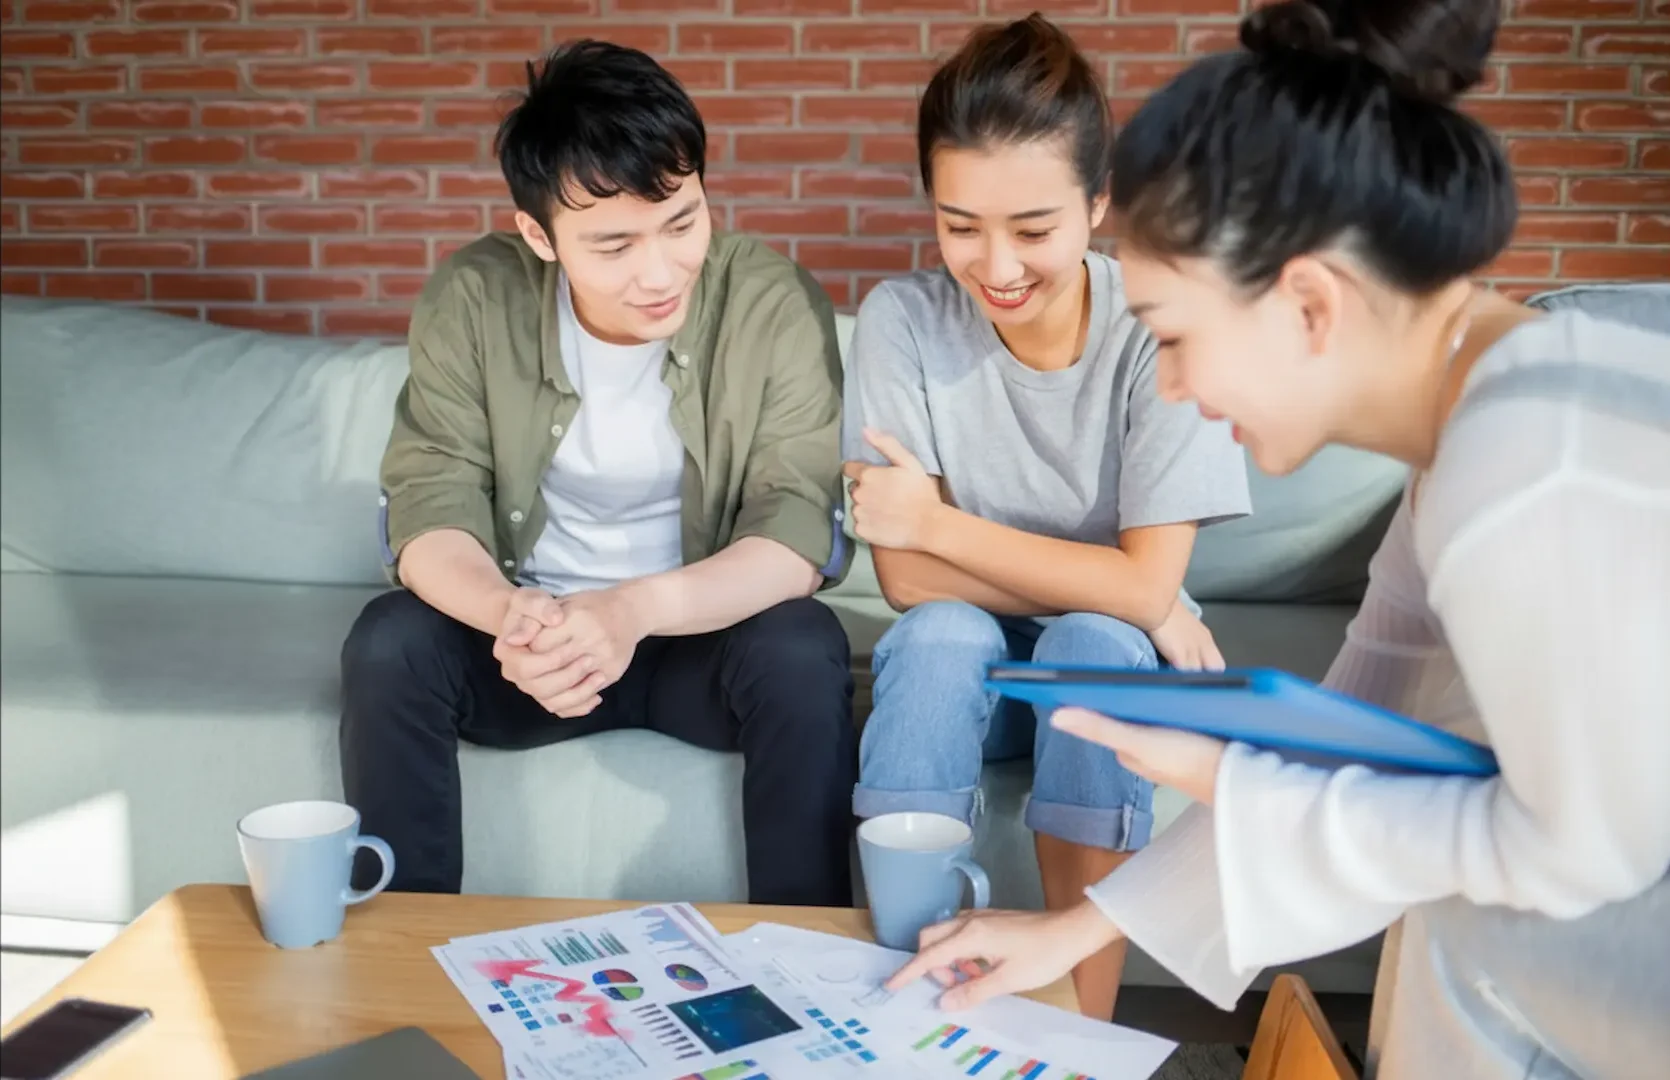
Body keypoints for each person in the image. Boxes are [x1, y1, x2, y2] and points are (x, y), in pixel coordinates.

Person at [885, 0, 1670, 1075]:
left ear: (1304, 304)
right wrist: (1075, 929)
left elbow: (1573, 856)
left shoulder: (1522, 468)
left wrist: (1237, 786)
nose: (1168, 386)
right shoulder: (1472, 437)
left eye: (1171, 338)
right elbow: (1344, 728)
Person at [340, 39, 859, 908]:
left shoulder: (772, 302)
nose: (660, 273)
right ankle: (403, 961)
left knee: (804, 651)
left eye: (683, 222)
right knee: (390, 642)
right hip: (528, 646)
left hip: (695, 640)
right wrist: (511, 614)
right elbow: (431, 497)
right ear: (539, 235)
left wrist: (631, 611)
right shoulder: (472, 298)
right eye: (615, 245)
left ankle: (806, 961)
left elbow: (796, 527)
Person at [840, 15, 1251, 1018]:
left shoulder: (1152, 323)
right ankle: (905, 1002)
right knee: (936, 636)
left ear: (1098, 203)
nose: (995, 266)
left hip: (1094, 649)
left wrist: (935, 525)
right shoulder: (902, 321)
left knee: (1095, 640)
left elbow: (1137, 587)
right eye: (958, 225)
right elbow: (902, 585)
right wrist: (1126, 586)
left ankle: (1083, 1025)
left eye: (1031, 229)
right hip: (967, 653)